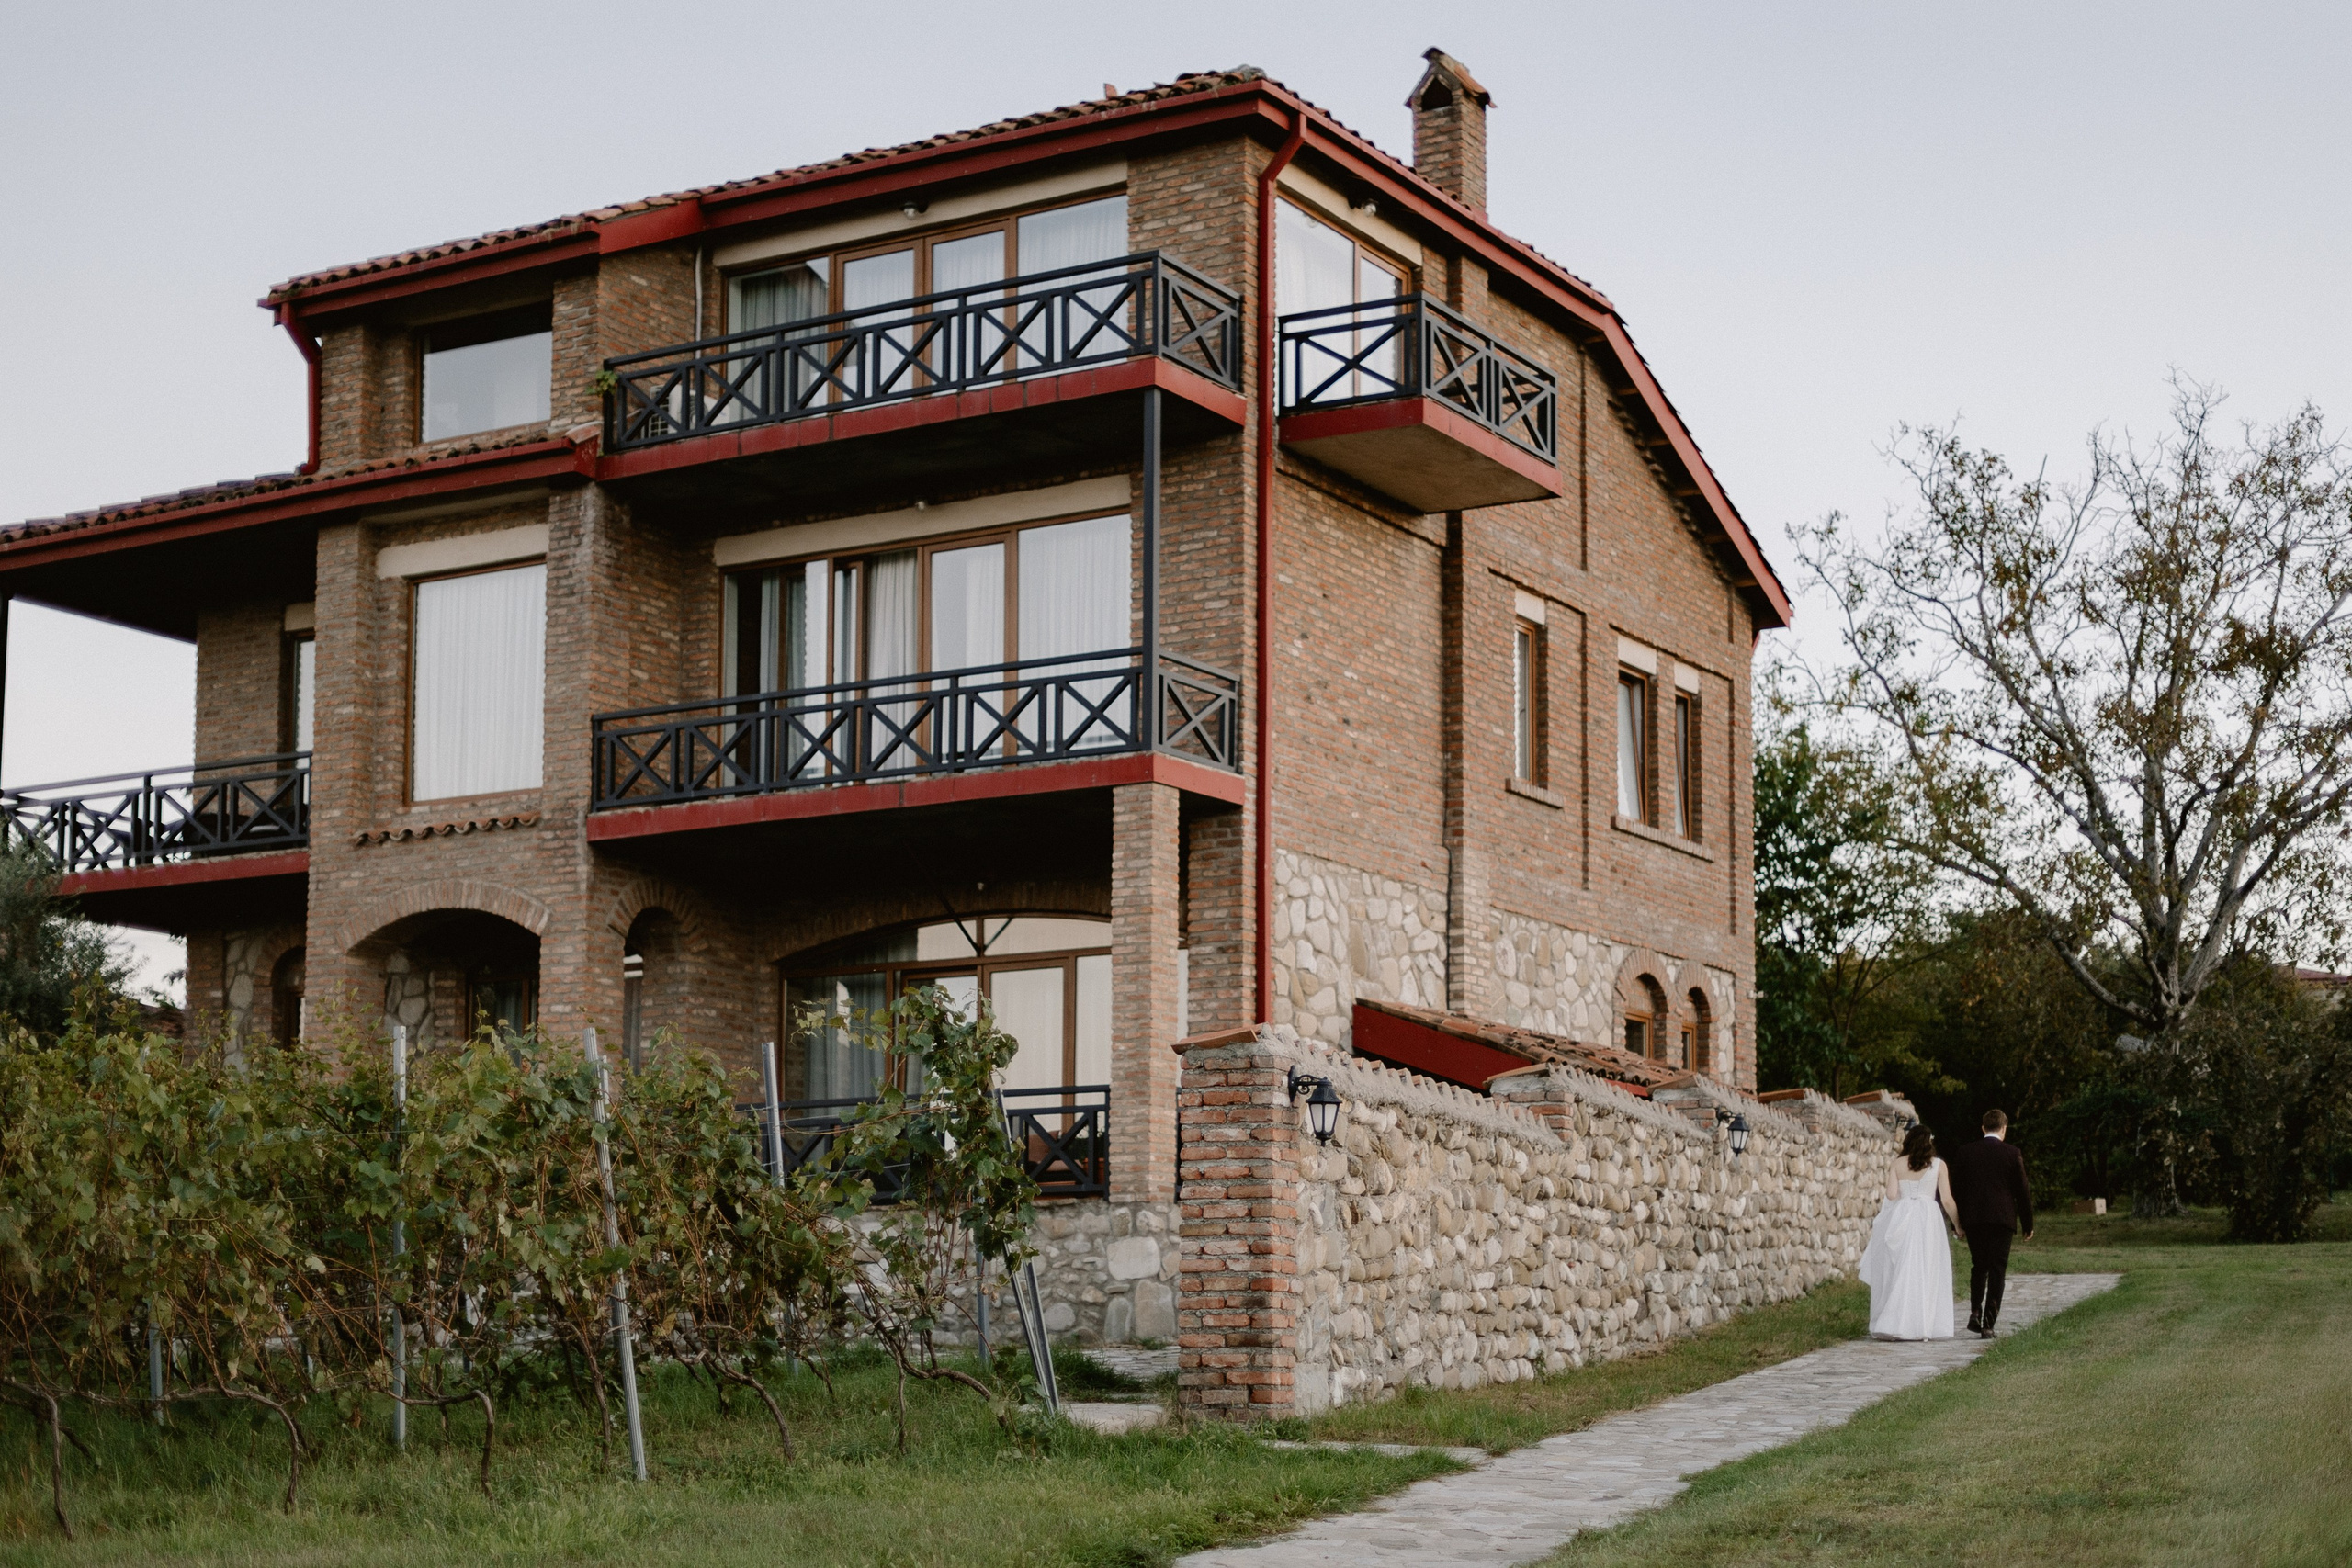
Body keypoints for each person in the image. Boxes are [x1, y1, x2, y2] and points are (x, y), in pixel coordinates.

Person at [1857, 1123, 1960, 1340]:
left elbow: (1892, 1195)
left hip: (1902, 1216)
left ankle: (1895, 1321)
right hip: (1928, 1218)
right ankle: (1922, 1324)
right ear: (1929, 1142)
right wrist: (1959, 1226)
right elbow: (1947, 1200)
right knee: (1927, 1268)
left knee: (1901, 1268)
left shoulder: (1897, 1164)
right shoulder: (1939, 1165)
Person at [1946, 1108, 2035, 1337]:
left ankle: (1975, 1311)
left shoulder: (1966, 1152)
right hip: (2002, 1220)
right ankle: (1988, 1324)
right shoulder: (2012, 1153)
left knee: (1979, 1266)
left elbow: (1957, 1189)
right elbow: (2022, 1192)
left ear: (1983, 1128)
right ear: (2003, 1128)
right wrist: (2028, 1224)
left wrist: (1958, 1222)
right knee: (1997, 1270)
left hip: (1974, 1219)